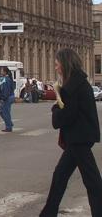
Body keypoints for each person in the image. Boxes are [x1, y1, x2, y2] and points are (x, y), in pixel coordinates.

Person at [40, 48, 102, 217]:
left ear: (65, 65)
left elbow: (66, 115)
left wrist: (55, 109)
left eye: (57, 65)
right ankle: (48, 212)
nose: (56, 68)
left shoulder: (72, 86)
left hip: (78, 138)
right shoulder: (79, 82)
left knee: (92, 181)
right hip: (80, 137)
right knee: (61, 175)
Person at [0, 67, 15, 132]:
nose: (0, 72)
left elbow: (6, 90)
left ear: (5, 72)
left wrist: (3, 98)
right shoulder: (6, 79)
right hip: (9, 97)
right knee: (1, 111)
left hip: (7, 98)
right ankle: (9, 123)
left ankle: (8, 127)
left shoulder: (6, 79)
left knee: (5, 112)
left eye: (2, 71)